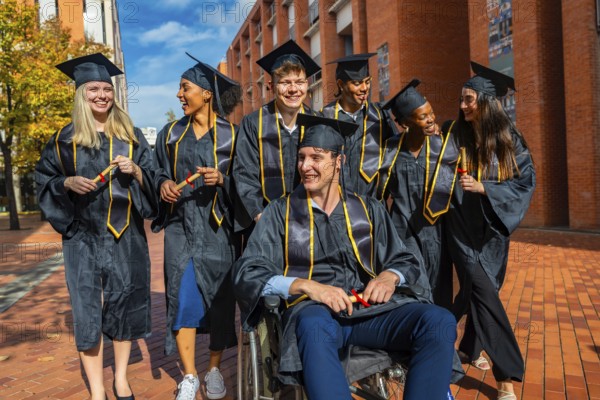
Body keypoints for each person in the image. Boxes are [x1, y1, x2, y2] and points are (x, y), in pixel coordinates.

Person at [233, 113, 457, 400]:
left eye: (316, 157)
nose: (305, 166)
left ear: (338, 162)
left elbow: (405, 259)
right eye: (302, 158)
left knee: (438, 321)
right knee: (313, 327)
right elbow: (248, 271)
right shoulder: (279, 213)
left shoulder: (368, 208)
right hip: (315, 315)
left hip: (368, 311)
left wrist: (389, 276)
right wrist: (307, 286)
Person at [35, 53, 157, 400]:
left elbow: (154, 178)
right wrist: (66, 183)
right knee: (87, 310)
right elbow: (43, 180)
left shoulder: (130, 135)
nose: (102, 95)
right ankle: (98, 391)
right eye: (94, 89)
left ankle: (120, 379)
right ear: (81, 94)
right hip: (82, 236)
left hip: (126, 236)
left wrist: (137, 172)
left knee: (125, 305)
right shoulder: (64, 139)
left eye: (107, 88)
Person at [151, 53, 242, 400]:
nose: (178, 94)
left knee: (220, 304)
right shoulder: (171, 134)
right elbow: (158, 170)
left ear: (205, 93)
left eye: (184, 88)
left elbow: (246, 182)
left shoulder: (233, 136)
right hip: (181, 228)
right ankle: (190, 375)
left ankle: (214, 368)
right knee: (183, 297)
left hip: (219, 231)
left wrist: (224, 179)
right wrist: (162, 184)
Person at [447, 62, 535, 400]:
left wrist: (486, 190)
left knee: (478, 292)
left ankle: (469, 347)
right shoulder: (455, 134)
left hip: (493, 232)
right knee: (485, 294)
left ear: (486, 102)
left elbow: (526, 182)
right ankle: (505, 377)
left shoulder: (510, 140)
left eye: (469, 99)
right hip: (461, 228)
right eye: (462, 99)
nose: (464, 105)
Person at [378, 79, 455, 309]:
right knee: (410, 287)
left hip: (437, 231)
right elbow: (378, 193)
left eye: (431, 113)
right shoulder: (389, 150)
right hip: (402, 231)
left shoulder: (444, 148)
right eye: (422, 116)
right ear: (404, 123)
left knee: (439, 288)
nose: (431, 119)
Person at [232, 39, 320, 231]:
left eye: (299, 82)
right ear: (271, 86)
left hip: (310, 220)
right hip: (265, 221)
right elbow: (245, 173)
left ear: (307, 84)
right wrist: (259, 215)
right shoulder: (253, 123)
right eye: (285, 83)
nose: (293, 89)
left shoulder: (317, 122)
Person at [320, 53, 393, 197]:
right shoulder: (325, 118)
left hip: (372, 203)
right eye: (357, 83)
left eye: (367, 81)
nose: (365, 88)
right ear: (341, 85)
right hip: (337, 203)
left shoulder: (379, 116)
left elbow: (395, 152)